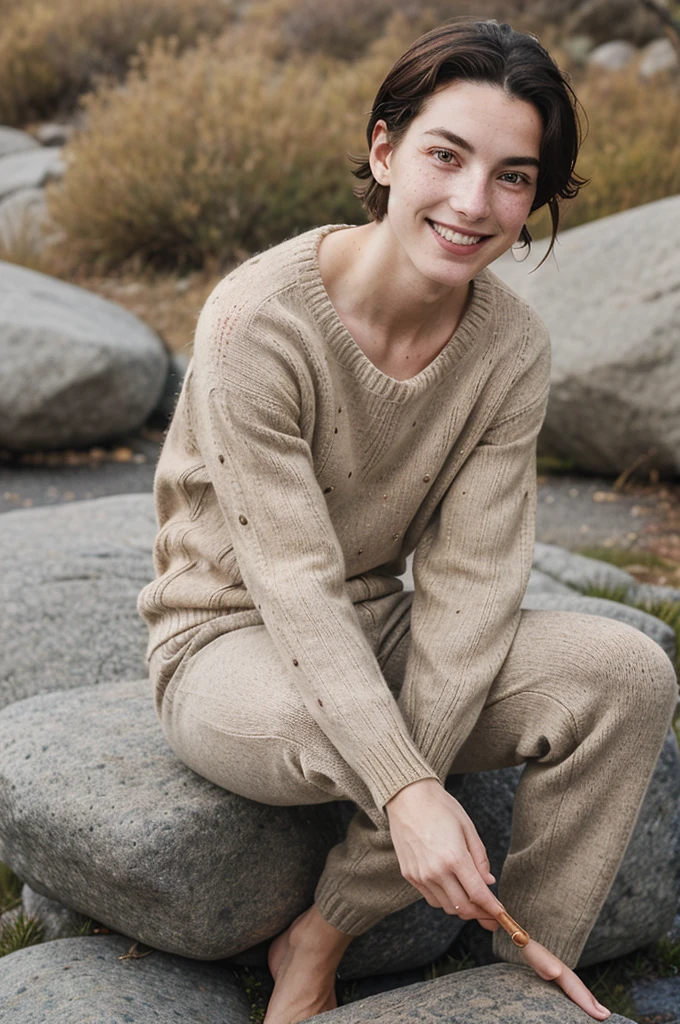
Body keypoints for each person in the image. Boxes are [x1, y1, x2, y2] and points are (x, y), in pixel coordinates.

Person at [136, 17, 678, 1024]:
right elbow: (290, 581)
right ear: (384, 151)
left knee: (623, 671)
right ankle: (324, 935)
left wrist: (386, 813)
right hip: (229, 636)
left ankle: (524, 978)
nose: (474, 203)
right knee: (328, 723)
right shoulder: (257, 320)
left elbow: (471, 584)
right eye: (445, 155)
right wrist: (407, 792)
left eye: (513, 177)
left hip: (376, 620)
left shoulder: (507, 345)